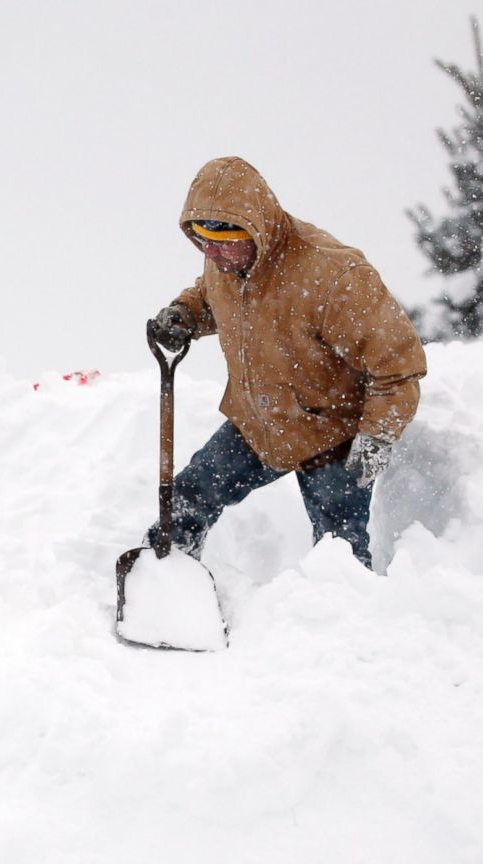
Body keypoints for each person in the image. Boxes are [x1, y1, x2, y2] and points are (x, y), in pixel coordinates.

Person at [146, 157, 426, 568]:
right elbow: (211, 296)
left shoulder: (334, 274)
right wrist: (184, 315)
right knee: (188, 498)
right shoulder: (226, 260)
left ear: (254, 228)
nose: (212, 254)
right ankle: (164, 577)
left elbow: (398, 366)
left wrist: (378, 436)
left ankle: (347, 620)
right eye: (202, 242)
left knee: (340, 555)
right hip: (258, 425)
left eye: (221, 243)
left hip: (331, 436)